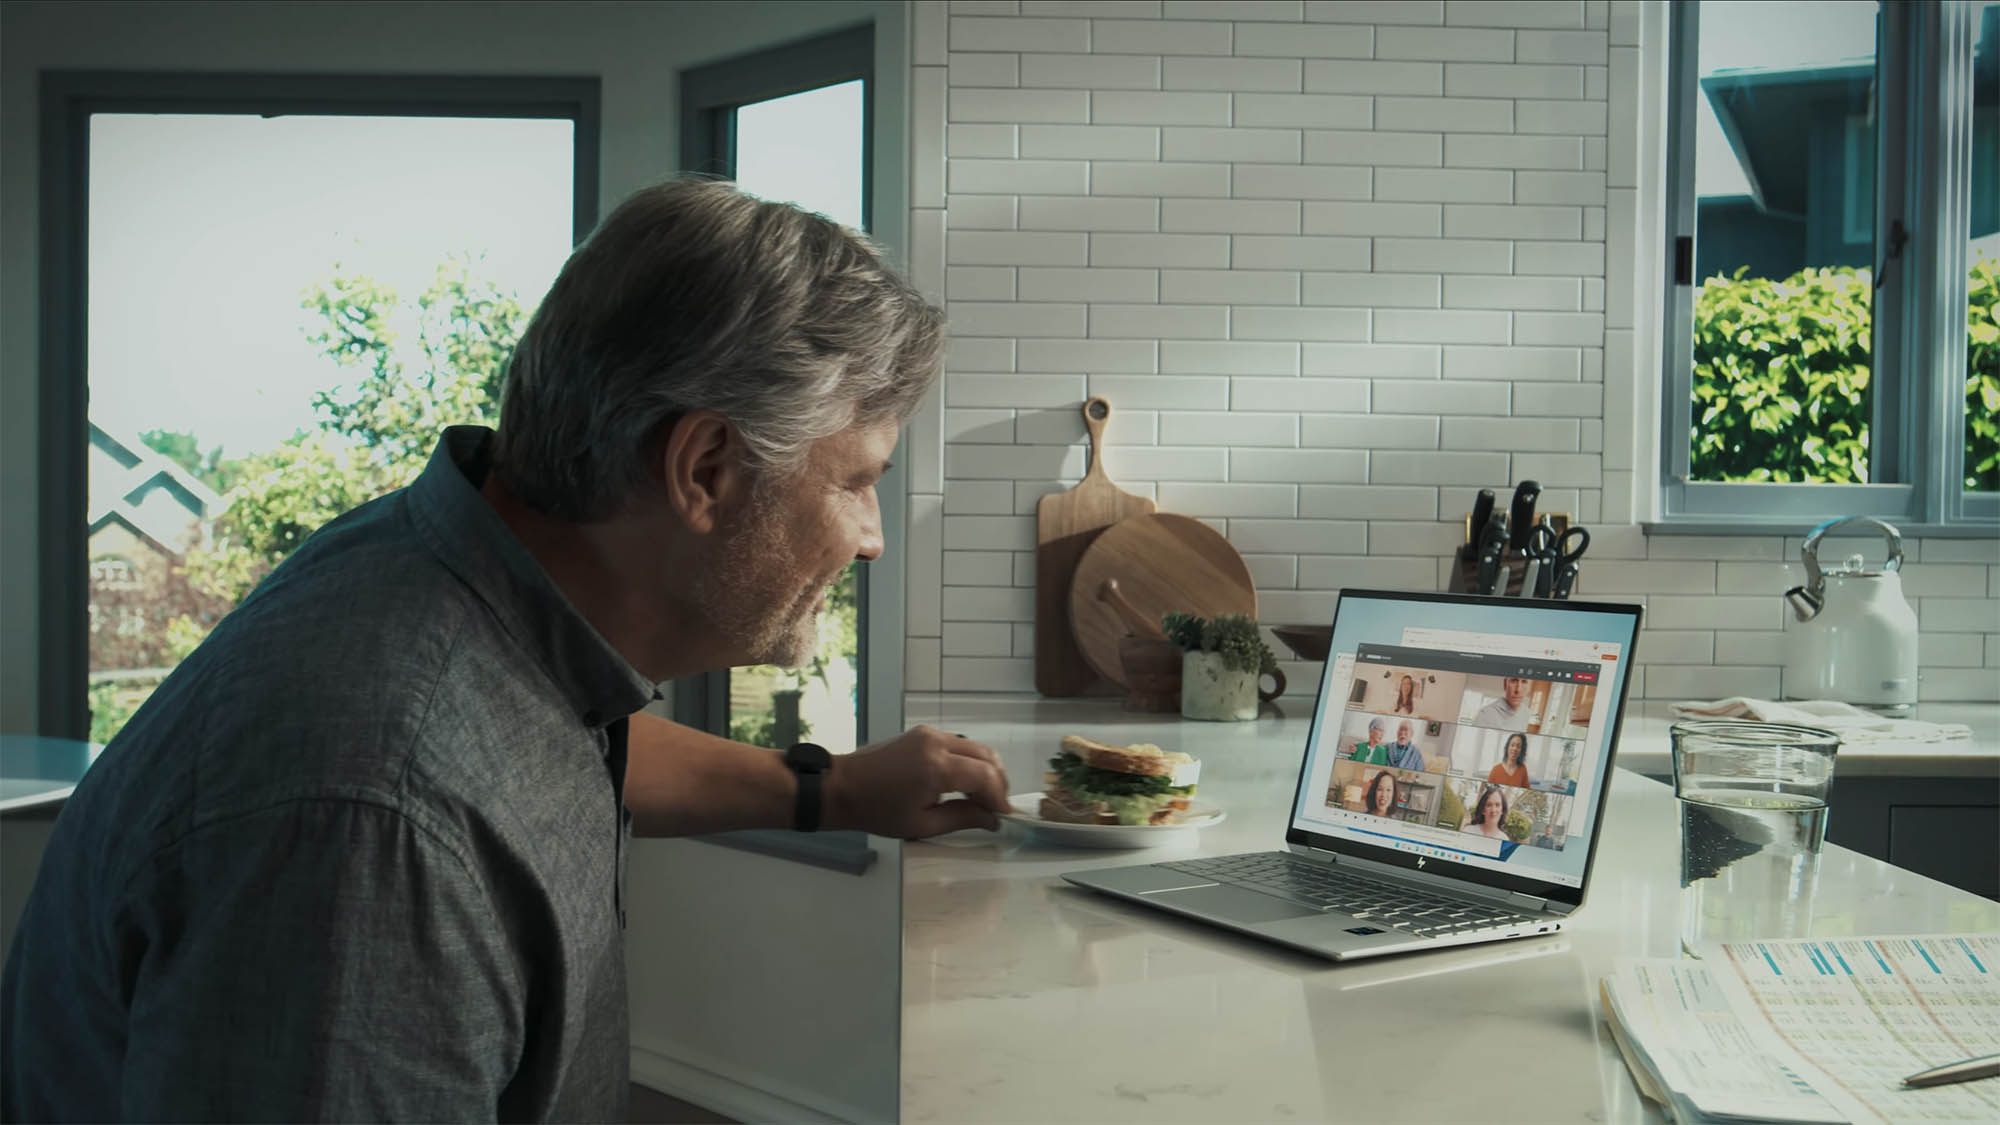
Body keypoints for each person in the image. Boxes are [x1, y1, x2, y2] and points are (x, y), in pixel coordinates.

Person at [0, 179, 1013, 1122]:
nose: (870, 536)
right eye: (855, 481)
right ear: (703, 468)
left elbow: (544, 758)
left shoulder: (450, 582)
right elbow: (433, 790)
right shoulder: (371, 833)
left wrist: (827, 791)